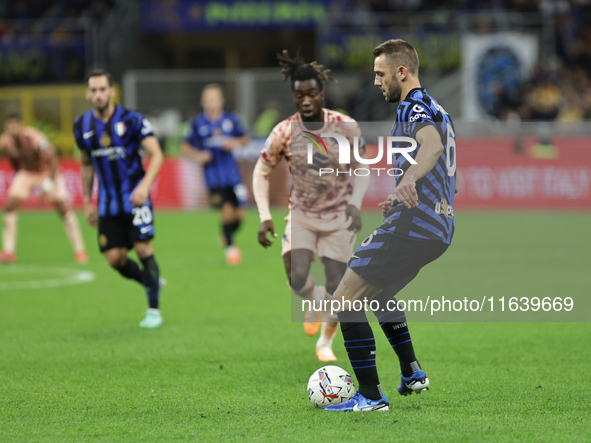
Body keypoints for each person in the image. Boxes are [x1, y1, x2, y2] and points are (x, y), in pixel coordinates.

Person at [324, 39, 458, 412]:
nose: (376, 82)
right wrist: (405, 191)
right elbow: (453, 179)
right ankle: (412, 373)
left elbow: (430, 148)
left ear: (402, 72)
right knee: (376, 292)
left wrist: (408, 181)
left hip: (414, 225)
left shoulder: (412, 107)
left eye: (380, 74)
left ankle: (369, 397)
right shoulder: (439, 109)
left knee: (345, 299)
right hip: (438, 227)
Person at [254, 50, 370, 362]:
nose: (305, 100)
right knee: (296, 278)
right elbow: (261, 171)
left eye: (312, 93)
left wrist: (356, 205)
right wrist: (265, 217)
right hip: (302, 216)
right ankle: (315, 298)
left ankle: (324, 343)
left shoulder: (345, 126)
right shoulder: (283, 131)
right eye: (299, 95)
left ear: (322, 93)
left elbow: (362, 168)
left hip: (338, 218)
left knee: (339, 286)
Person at [74, 69, 164, 328]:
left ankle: (153, 310)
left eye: (103, 89)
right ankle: (151, 279)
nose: (98, 94)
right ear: (87, 93)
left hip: (136, 198)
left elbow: (156, 154)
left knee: (143, 248)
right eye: (94, 90)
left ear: (112, 91)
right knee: (115, 259)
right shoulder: (82, 126)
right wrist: (87, 202)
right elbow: (86, 164)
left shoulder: (132, 120)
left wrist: (145, 186)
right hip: (107, 204)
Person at [0, 114, 87, 264]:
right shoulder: (6, 140)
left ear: (21, 125)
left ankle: (80, 250)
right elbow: (12, 158)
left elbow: (53, 157)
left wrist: (49, 183)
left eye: (15, 126)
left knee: (63, 208)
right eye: (9, 127)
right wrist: (18, 176)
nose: (12, 130)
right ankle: (8, 251)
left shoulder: (34, 137)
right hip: (27, 173)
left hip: (48, 172)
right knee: (9, 207)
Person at [181, 84, 249, 266]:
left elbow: (245, 139)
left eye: (215, 98)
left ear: (221, 100)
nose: (212, 102)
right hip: (213, 178)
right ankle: (231, 250)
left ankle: (226, 235)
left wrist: (234, 143)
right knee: (226, 211)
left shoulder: (231, 120)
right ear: (203, 102)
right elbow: (185, 146)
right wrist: (199, 155)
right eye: (208, 99)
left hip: (233, 176)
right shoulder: (197, 123)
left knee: (241, 215)